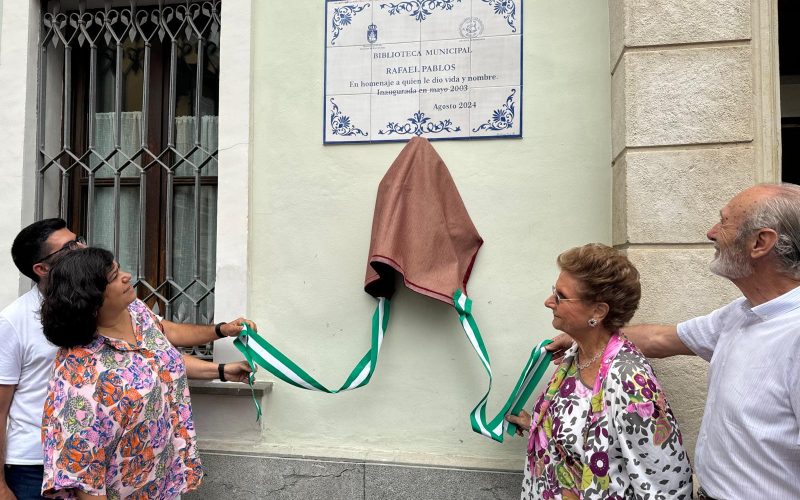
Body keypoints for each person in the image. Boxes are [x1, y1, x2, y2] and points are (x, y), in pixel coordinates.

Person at [545, 183, 800, 499]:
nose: (710, 232)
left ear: (760, 242)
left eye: (724, 222)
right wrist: (584, 332)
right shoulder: (741, 314)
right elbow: (660, 338)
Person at [0, 219, 253, 500]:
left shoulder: (128, 310)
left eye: (79, 239)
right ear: (42, 268)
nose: (82, 246)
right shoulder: (20, 326)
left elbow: (159, 356)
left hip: (138, 471)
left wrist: (220, 360)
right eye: (70, 246)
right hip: (41, 464)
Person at [506, 243, 692, 499]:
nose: (549, 302)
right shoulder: (574, 357)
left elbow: (668, 484)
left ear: (598, 311)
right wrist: (537, 424)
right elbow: (581, 432)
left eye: (560, 295)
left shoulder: (630, 379)